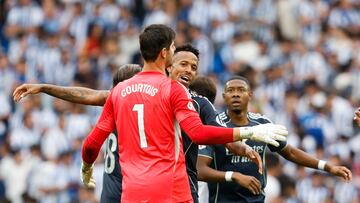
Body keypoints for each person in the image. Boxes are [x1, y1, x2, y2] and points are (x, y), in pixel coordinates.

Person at [13, 45, 261, 203]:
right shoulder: (142, 93)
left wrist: (243, 146)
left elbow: (216, 135)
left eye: (193, 67)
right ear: (168, 65)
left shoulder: (199, 103)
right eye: (183, 63)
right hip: (145, 186)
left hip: (179, 186)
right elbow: (89, 95)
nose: (188, 69)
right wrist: (45, 87)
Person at [80, 24, 287, 202]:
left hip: (133, 193)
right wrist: (247, 133)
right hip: (172, 191)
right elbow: (198, 133)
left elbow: (92, 143)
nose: (173, 50)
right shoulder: (173, 89)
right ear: (164, 53)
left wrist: (87, 166)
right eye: (172, 47)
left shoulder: (118, 91)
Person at [197, 76, 352, 203]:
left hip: (256, 200)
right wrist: (234, 176)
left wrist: (328, 167)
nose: (236, 94)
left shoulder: (262, 124)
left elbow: (289, 152)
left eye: (241, 90)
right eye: (230, 91)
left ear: (250, 95)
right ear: (224, 97)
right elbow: (200, 170)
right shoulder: (216, 126)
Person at [13, 64, 142, 203]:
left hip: (112, 190)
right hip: (136, 188)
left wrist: (44, 87)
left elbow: (85, 96)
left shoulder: (114, 102)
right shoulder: (145, 106)